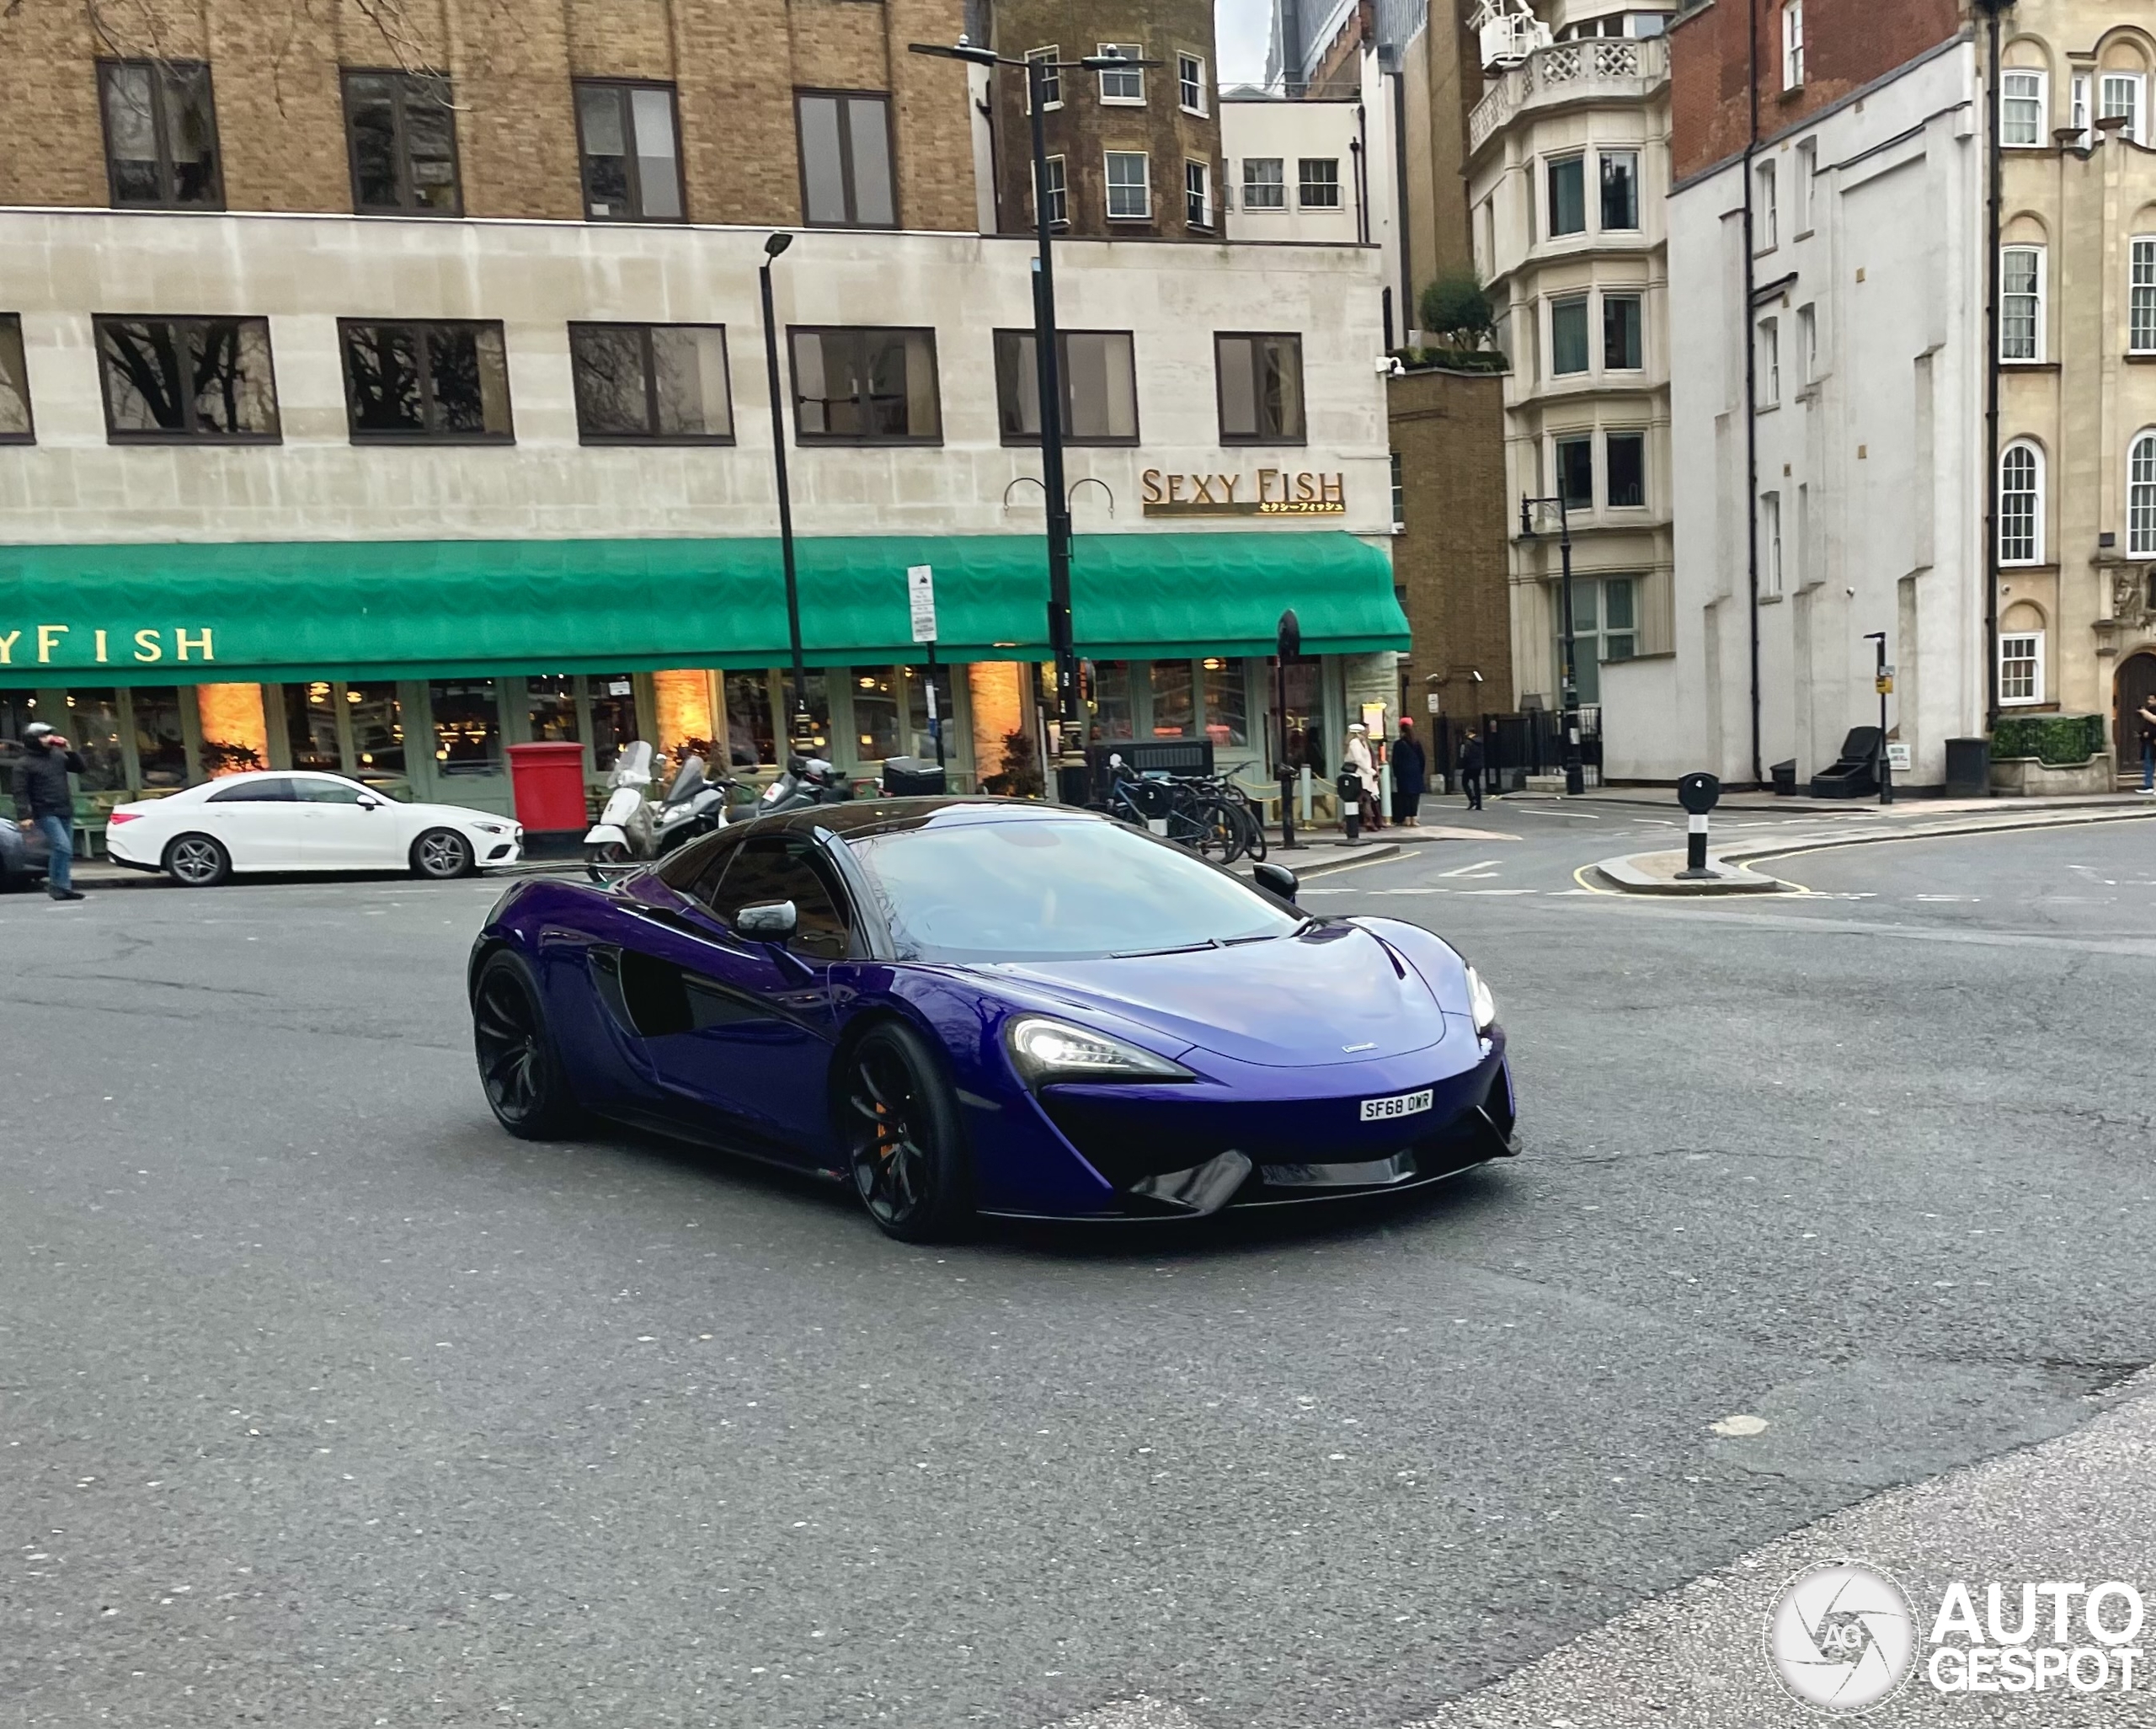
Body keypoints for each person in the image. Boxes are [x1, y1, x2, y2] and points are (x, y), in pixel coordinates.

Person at [12, 723, 88, 901]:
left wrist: (69, 750)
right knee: (62, 847)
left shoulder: (57, 756)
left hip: (64, 808)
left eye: (49, 735)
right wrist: (24, 815)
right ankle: (57, 886)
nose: (49, 738)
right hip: (45, 811)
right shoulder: (24, 764)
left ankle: (63, 887)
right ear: (33, 740)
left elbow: (80, 768)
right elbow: (19, 791)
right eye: (44, 736)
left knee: (64, 850)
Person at [1345, 723, 1381, 831]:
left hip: (1365, 776)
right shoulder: (1354, 743)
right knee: (1362, 799)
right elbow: (1358, 759)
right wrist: (1369, 770)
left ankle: (1366, 821)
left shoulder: (1362, 743)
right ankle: (1366, 821)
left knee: (1363, 799)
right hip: (1358, 775)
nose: (1364, 734)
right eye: (1362, 732)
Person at [1392, 718, 1427, 827]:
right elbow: (1422, 759)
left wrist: (1397, 773)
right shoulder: (1416, 743)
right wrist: (1420, 771)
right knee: (1415, 797)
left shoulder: (1398, 744)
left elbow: (1395, 761)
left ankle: (1406, 819)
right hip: (1415, 772)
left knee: (1405, 797)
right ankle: (1414, 819)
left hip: (1403, 773)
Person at [1458, 728, 1486, 811]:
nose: (1466, 734)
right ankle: (1479, 805)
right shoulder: (1480, 741)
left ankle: (1472, 799)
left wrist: (1462, 764)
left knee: (1464, 782)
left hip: (1470, 766)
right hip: (1478, 765)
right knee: (1476, 784)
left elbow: (1465, 754)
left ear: (1470, 732)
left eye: (1466, 732)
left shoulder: (1468, 742)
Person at [2139, 695, 2156, 793]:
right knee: (2148, 762)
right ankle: (2148, 785)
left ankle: (2149, 785)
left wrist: (2150, 734)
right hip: (2149, 741)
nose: (2149, 701)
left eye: (2151, 699)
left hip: (2152, 740)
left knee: (2149, 762)